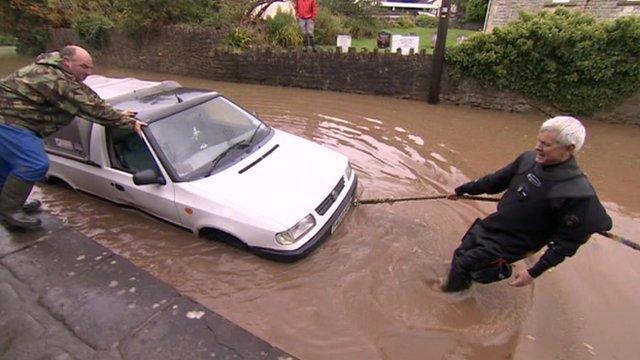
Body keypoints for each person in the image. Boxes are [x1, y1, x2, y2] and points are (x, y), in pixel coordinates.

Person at [442, 116, 612, 292]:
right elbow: (495, 181)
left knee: (463, 264)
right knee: (461, 253)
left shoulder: (578, 193)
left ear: (569, 149)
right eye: (539, 141)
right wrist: (462, 190)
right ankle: (471, 277)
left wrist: (533, 273)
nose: (538, 147)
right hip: (495, 225)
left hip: (516, 243)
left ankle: (452, 300)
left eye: (546, 144)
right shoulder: (529, 160)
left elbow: (566, 244)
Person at [0, 45, 145, 230]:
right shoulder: (53, 78)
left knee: (6, 166)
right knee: (35, 164)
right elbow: (87, 106)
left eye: (90, 67)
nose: (89, 72)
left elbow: (87, 96)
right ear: (67, 63)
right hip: (8, 122)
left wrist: (116, 112)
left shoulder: (58, 70)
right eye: (84, 67)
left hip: (16, 121)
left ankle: (9, 205)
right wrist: (128, 123)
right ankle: (10, 211)